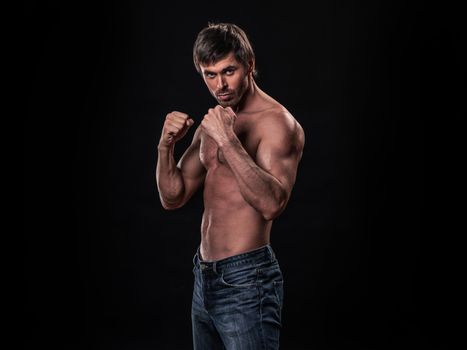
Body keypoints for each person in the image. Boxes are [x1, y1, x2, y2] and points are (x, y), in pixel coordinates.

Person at [156, 22, 305, 349]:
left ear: (249, 65)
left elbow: (272, 204)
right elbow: (173, 196)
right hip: (204, 275)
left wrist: (227, 140)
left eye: (229, 71)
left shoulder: (278, 123)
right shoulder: (215, 121)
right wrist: (165, 146)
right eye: (210, 75)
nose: (220, 85)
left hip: (247, 281)